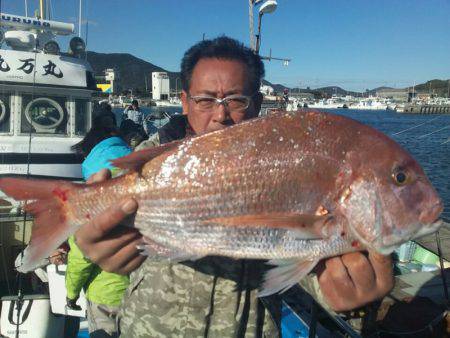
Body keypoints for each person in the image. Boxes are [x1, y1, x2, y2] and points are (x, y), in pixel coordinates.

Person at [73, 37, 394, 337]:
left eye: (236, 100)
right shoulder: (148, 162)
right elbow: (102, 235)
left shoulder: (284, 167)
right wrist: (93, 246)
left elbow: (305, 265)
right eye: (205, 99)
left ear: (256, 104)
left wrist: (346, 287)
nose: (221, 114)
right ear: (184, 102)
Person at [68, 114, 132, 338]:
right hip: (143, 294)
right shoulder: (139, 184)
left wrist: (71, 293)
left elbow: (81, 255)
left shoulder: (93, 194)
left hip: (105, 298)